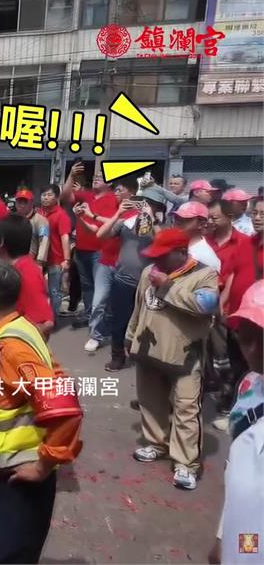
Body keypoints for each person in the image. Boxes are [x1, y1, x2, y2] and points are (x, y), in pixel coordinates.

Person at [0, 258, 83, 564]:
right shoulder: (16, 330)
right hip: (8, 478)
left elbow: (65, 405)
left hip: (20, 484)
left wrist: (42, 466)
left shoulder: (10, 346)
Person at [128, 228, 219, 491]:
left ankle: (185, 463)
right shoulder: (149, 272)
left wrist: (167, 287)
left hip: (185, 355)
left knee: (186, 408)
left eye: (162, 256)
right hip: (149, 349)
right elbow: (139, 306)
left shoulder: (205, 274)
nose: (156, 261)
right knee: (150, 401)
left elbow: (206, 306)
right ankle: (157, 443)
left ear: (181, 253)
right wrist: (130, 335)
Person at [208, 280, 264, 565]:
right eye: (246, 335)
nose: (253, 349)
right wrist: (223, 535)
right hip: (243, 538)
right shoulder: (250, 386)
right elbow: (238, 477)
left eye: (262, 337)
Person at [97, 185, 167, 372]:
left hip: (150, 284)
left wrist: (152, 220)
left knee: (148, 324)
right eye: (143, 202)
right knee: (119, 321)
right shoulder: (128, 223)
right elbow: (101, 234)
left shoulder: (162, 226)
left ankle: (145, 358)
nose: (144, 206)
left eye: (150, 203)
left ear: (159, 207)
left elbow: (165, 245)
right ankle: (117, 356)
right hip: (123, 280)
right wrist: (118, 214)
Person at [207, 198, 257, 429]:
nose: (258, 217)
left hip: (258, 319)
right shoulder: (247, 244)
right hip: (236, 316)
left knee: (254, 367)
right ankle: (236, 408)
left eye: (263, 214)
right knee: (237, 364)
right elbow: (232, 276)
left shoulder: (243, 240)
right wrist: (223, 305)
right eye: (255, 213)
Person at [62, 164, 118, 351]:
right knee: (87, 286)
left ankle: (101, 325)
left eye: (101, 177)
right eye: (95, 176)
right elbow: (65, 195)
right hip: (82, 249)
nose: (96, 178)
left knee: (101, 293)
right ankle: (89, 315)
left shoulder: (113, 199)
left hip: (100, 251)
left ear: (109, 181)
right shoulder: (86, 195)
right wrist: (70, 174)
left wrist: (89, 215)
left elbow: (109, 226)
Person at [0, 215, 54, 338]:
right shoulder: (10, 269)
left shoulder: (26, 273)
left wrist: (13, 343)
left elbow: (46, 323)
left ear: (1, 242)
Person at [38, 184, 72, 322]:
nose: (46, 198)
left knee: (54, 291)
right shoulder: (38, 213)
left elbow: (65, 237)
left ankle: (52, 319)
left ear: (57, 197)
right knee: (36, 289)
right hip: (39, 258)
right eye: (44, 195)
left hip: (55, 259)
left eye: (49, 195)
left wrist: (67, 259)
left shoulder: (61, 215)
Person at [173, 202, 221, 271]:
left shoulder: (206, 256)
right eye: (176, 217)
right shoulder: (172, 244)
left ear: (201, 224)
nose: (177, 222)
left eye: (185, 219)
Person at [13, 189, 49, 266]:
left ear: (32, 203)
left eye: (25, 202)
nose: (22, 205)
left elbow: (44, 241)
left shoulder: (41, 221)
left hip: (31, 262)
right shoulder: (12, 218)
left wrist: (39, 262)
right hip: (13, 261)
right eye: (19, 202)